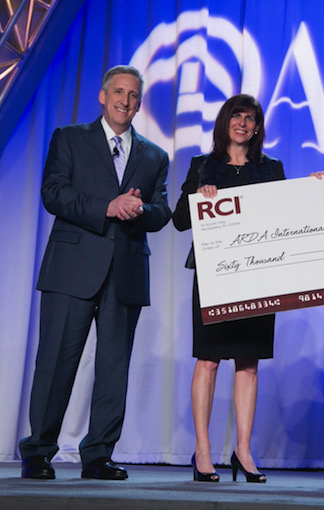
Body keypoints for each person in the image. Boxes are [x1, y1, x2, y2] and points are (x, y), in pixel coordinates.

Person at [19, 65, 172, 480]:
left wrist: (139, 209)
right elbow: (54, 193)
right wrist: (108, 207)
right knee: (55, 363)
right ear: (103, 96)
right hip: (72, 269)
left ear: (140, 104)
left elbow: (162, 212)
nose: (125, 100)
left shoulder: (155, 156)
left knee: (113, 368)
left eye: (134, 95)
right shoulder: (69, 138)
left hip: (125, 273)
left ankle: (98, 455)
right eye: (119, 92)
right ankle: (38, 451)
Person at [173, 94, 285, 483]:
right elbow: (179, 221)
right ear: (224, 123)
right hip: (214, 278)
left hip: (258, 277)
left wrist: (315, 190)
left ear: (257, 127)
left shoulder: (272, 170)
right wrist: (197, 197)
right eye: (236, 116)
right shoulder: (203, 167)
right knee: (208, 360)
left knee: (248, 365)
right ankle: (203, 451)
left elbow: (290, 214)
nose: (242, 123)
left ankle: (243, 451)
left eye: (249, 118)